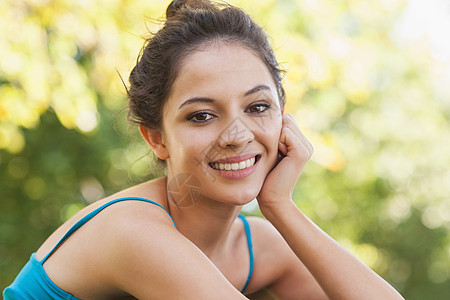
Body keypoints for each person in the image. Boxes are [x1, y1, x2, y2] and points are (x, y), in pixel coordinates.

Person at [3, 0, 404, 299]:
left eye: (258, 107)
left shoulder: (256, 244)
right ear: (156, 138)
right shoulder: (132, 232)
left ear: (284, 119)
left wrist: (281, 206)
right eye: (201, 116)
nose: (236, 134)